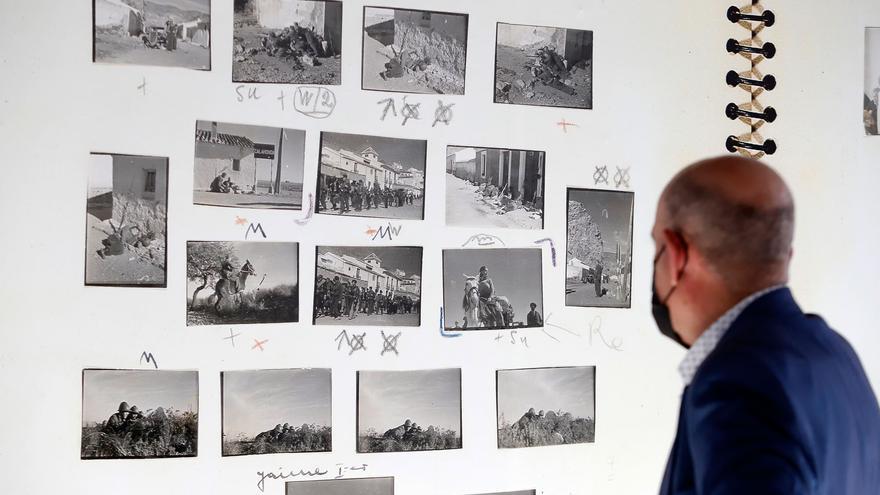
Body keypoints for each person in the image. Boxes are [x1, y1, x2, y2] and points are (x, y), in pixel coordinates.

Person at [652, 156, 880, 494]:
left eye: (654, 246)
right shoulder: (835, 353)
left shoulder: (735, 382)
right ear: (786, 256)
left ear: (675, 255)